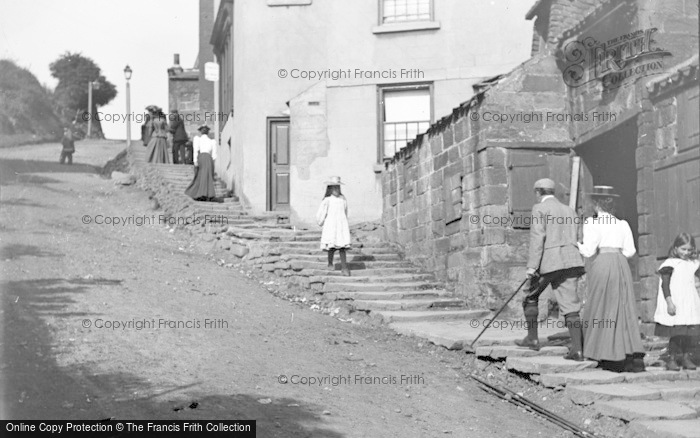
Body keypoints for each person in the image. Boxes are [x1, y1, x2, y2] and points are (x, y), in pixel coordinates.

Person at [514, 178, 586, 361]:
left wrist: (532, 266)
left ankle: (532, 339)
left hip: (549, 262)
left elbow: (538, 238)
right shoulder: (569, 210)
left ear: (538, 192)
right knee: (571, 306)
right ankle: (577, 350)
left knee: (530, 295)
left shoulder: (539, 209)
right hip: (571, 261)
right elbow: (578, 237)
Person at [577, 185, 645, 372]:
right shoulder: (622, 224)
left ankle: (602, 351)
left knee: (601, 304)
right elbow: (630, 251)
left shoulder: (592, 223)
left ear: (596, 204)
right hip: (620, 264)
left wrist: (576, 244)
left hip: (603, 263)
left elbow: (589, 251)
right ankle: (627, 352)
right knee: (622, 307)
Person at [653, 233, 700, 371]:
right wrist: (669, 302)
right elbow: (665, 285)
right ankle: (671, 358)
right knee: (677, 332)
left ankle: (685, 357)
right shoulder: (670, 264)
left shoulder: (693, 264)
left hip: (689, 301)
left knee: (688, 332)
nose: (686, 253)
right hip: (676, 301)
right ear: (675, 248)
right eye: (683, 249)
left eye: (689, 250)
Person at [316, 177, 351, 276]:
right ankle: (330, 263)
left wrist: (344, 222)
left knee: (342, 246)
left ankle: (344, 268)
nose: (336, 189)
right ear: (330, 189)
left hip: (340, 225)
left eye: (338, 187)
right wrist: (321, 221)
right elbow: (321, 213)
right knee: (331, 246)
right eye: (334, 188)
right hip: (331, 225)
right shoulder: (327, 200)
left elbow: (345, 211)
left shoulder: (343, 199)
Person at [185, 125, 218, 201]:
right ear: (208, 132)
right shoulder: (212, 141)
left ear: (201, 132)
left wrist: (195, 161)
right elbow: (214, 155)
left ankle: (201, 193)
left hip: (201, 158)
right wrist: (213, 164)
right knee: (207, 176)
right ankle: (208, 194)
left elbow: (196, 150)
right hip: (209, 159)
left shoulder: (198, 139)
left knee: (200, 176)